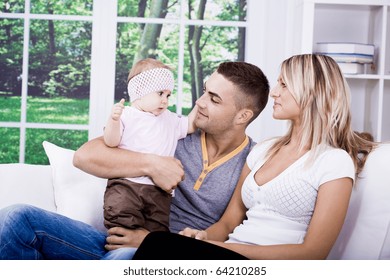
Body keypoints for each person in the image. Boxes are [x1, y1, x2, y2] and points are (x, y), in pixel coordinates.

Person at [0, 60, 270, 259]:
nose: (199, 102)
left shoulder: (252, 160)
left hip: (169, 255)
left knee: (120, 261)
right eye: (204, 91)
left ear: (242, 116)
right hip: (116, 240)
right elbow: (85, 156)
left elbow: (226, 229)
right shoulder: (168, 128)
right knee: (16, 218)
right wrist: (152, 163)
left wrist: (154, 241)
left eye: (213, 99)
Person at [129, 54, 377, 260]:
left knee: (155, 246)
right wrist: (201, 238)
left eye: (284, 85)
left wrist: (216, 249)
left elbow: (313, 253)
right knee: (156, 247)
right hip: (230, 254)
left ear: (311, 94)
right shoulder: (263, 151)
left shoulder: (333, 161)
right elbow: (227, 225)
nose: (274, 93)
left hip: (255, 263)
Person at [102, 58, 196, 233]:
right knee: (122, 222)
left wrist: (200, 103)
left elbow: (190, 125)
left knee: (157, 229)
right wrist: (114, 120)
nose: (165, 101)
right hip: (127, 184)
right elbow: (111, 141)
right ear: (140, 91)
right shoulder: (127, 115)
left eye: (168, 95)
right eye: (160, 93)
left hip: (159, 191)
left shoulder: (169, 118)